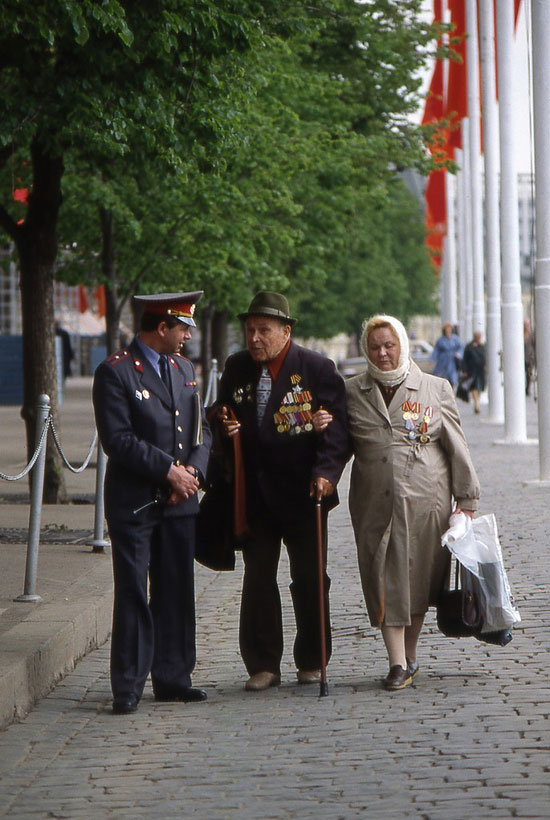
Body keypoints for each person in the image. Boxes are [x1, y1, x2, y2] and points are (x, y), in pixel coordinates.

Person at [215, 291, 348, 691]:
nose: (254, 338)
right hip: (255, 494)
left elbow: (338, 428)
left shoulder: (316, 368)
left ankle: (311, 658)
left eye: (264, 330)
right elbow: (222, 413)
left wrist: (327, 472)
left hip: (305, 492)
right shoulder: (236, 367)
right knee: (257, 578)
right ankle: (262, 663)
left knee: (309, 577)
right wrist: (224, 426)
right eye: (250, 330)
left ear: (285, 331)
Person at [345, 314, 480, 692]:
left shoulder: (435, 388)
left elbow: (457, 448)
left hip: (426, 503)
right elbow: (337, 447)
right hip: (374, 503)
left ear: (402, 345)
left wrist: (466, 501)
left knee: (418, 580)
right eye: (375, 347)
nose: (383, 353)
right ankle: (396, 662)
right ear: (366, 350)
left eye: (390, 345)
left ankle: (409, 654)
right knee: (384, 578)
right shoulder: (353, 392)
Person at [93, 291, 212, 715]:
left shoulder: (183, 368)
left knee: (176, 589)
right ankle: (128, 683)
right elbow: (118, 440)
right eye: (182, 329)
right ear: (161, 328)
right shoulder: (116, 372)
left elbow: (200, 432)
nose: (186, 337)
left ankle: (174, 677)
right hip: (137, 503)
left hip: (180, 501)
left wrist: (193, 473)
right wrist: (169, 471)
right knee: (133, 592)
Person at [461, 331, 486, 414]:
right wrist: (464, 370)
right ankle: (476, 404)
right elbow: (464, 359)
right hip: (471, 371)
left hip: (480, 371)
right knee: (474, 387)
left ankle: (477, 402)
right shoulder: (469, 347)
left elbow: (485, 358)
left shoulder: (482, 347)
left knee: (479, 388)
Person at [431, 323, 463, 387]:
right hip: (443, 360)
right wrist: (432, 359)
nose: (448, 332)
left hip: (452, 361)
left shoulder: (455, 339)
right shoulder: (441, 340)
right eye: (447, 331)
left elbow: (460, 348)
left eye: (449, 330)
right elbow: (436, 350)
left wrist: (458, 354)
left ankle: (452, 390)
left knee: (453, 377)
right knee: (442, 377)